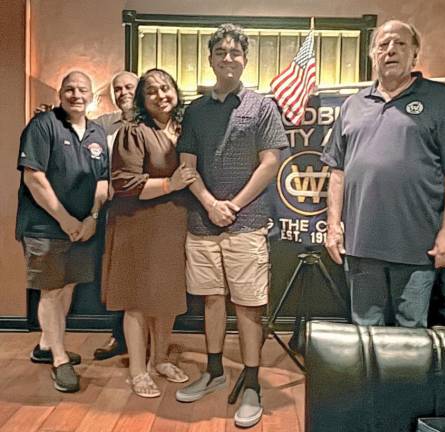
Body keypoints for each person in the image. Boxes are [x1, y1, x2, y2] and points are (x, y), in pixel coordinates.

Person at [322, 20, 445, 328]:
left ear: (414, 54)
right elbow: (337, 172)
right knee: (365, 335)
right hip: (361, 247)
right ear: (372, 55)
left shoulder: (440, 99)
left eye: (400, 44)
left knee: (411, 338)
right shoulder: (352, 105)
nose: (390, 50)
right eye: (383, 45)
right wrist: (333, 226)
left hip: (417, 247)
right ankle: (371, 381)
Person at [175, 23, 288, 428]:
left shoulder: (261, 106)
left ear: (245, 59)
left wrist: (233, 206)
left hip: (248, 222)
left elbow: (271, 162)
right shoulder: (195, 110)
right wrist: (208, 203)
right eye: (220, 51)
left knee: (248, 304)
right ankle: (214, 370)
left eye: (235, 52)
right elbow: (186, 165)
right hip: (202, 221)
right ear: (210, 58)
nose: (227, 58)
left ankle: (253, 381)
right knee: (210, 299)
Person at [101, 68, 196, 398]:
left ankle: (159, 360)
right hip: (138, 224)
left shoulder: (184, 129)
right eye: (152, 91)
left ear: (176, 91)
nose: (161, 95)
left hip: (174, 224)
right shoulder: (133, 131)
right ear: (142, 99)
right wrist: (171, 184)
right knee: (137, 300)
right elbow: (124, 183)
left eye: (166, 88)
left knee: (167, 297)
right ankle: (139, 371)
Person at [16, 71, 109, 392]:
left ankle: (46, 344)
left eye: (83, 89)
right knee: (51, 291)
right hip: (45, 228)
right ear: (60, 92)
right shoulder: (42, 126)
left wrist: (92, 217)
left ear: (92, 94)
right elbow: (34, 178)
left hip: (83, 229)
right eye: (69, 89)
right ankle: (59, 359)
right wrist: (66, 219)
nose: (76, 95)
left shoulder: (97, 132)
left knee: (67, 286)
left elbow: (102, 181)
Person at [92, 71, 139, 361]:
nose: (122, 92)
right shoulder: (102, 124)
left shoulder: (152, 120)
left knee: (144, 274)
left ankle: (148, 340)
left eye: (129, 86)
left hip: (150, 205)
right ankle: (119, 336)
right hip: (114, 209)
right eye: (117, 88)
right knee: (115, 274)